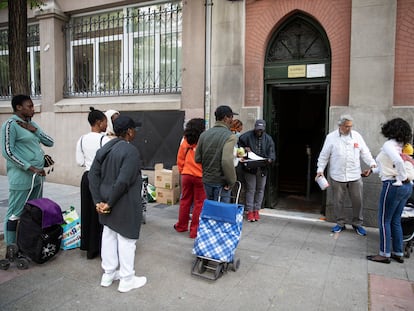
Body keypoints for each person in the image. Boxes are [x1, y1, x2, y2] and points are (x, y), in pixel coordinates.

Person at [88, 115, 147, 293]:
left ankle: (109, 274)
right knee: (127, 239)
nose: (135, 132)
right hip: (123, 201)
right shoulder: (130, 151)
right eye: (134, 129)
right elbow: (123, 181)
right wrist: (109, 202)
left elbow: (92, 176)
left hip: (106, 199)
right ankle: (127, 279)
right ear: (129, 131)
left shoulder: (106, 147)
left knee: (109, 235)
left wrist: (99, 201)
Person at [1, 94, 54, 250]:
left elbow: (50, 142)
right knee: (15, 213)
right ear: (19, 107)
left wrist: (34, 130)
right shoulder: (10, 125)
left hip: (37, 179)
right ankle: (11, 248)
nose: (33, 109)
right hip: (22, 179)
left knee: (34, 211)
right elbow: (7, 152)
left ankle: (29, 243)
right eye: (29, 106)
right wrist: (31, 168)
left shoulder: (31, 124)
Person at [316, 114, 376, 236]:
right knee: (338, 202)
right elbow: (324, 156)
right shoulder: (331, 137)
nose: (349, 129)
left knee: (358, 201)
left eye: (350, 126)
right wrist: (320, 169)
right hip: (337, 175)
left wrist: (372, 164)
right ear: (340, 126)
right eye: (346, 126)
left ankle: (357, 224)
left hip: (355, 175)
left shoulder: (357, 136)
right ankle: (340, 223)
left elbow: (365, 152)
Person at [367, 118, 413, 264]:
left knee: (384, 220)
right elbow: (388, 166)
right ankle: (398, 252)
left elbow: (398, 163)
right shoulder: (401, 146)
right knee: (395, 220)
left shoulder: (388, 144)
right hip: (406, 187)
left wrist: (403, 176)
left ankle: (384, 254)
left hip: (393, 185)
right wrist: (372, 171)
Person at [75, 107, 109, 259]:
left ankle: (89, 248)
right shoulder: (104, 139)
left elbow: (79, 161)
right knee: (101, 212)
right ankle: (101, 247)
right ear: (98, 122)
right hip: (100, 178)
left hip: (86, 177)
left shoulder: (81, 139)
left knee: (87, 211)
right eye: (105, 122)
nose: (107, 125)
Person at [195, 105, 238, 202]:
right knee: (220, 214)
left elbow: (197, 158)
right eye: (231, 117)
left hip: (207, 180)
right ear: (226, 118)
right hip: (222, 183)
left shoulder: (204, 135)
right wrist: (231, 181)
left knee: (209, 212)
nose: (232, 120)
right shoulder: (230, 136)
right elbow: (226, 161)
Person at [174, 118, 206, 238]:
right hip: (200, 176)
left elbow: (180, 158)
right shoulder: (203, 141)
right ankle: (194, 231)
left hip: (186, 175)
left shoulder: (186, 141)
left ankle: (181, 226)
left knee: (185, 201)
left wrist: (183, 171)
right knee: (199, 203)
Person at [238, 119, 276, 222]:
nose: (259, 132)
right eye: (257, 129)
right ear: (255, 128)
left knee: (260, 189)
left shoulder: (268, 139)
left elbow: (272, 152)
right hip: (250, 167)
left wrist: (270, 159)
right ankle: (250, 211)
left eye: (261, 130)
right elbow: (239, 145)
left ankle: (256, 210)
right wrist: (244, 149)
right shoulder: (246, 136)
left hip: (262, 167)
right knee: (251, 189)